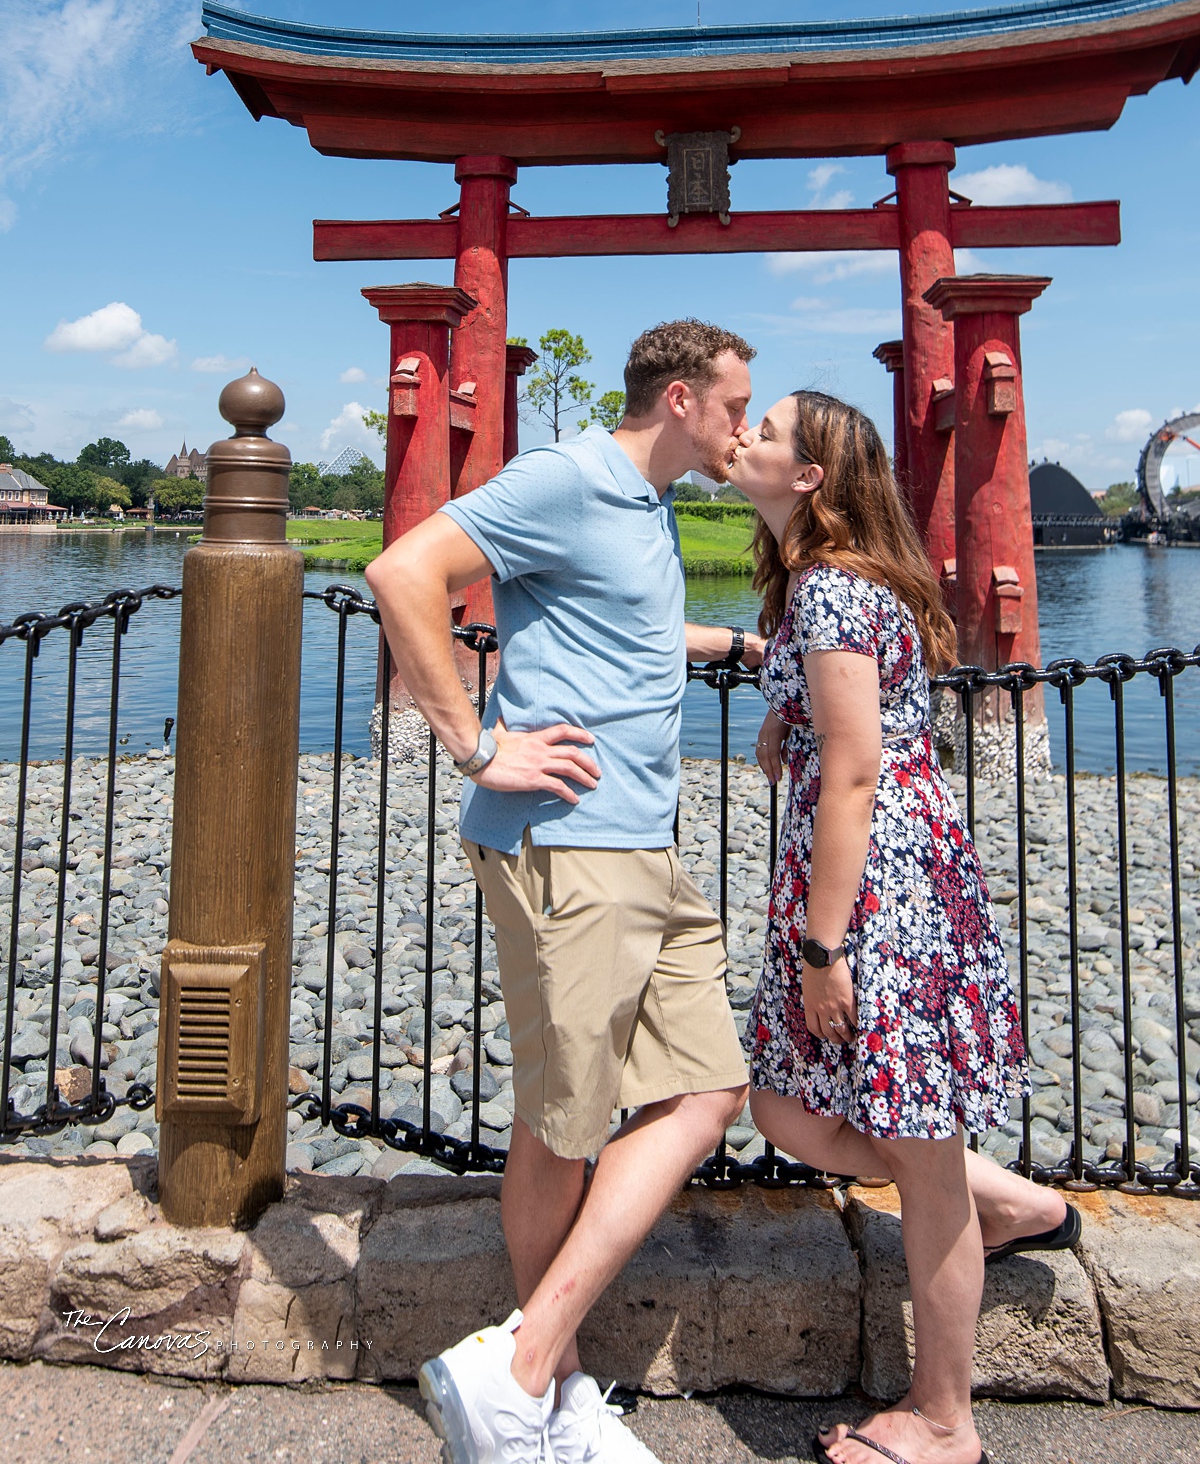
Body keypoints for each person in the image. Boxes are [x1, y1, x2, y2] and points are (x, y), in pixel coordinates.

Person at [365, 319, 759, 1464]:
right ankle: (544, 1387)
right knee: (567, 1119)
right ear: (681, 397)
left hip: (645, 843)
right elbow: (403, 570)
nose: (745, 423)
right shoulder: (571, 476)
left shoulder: (648, 503)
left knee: (706, 1088)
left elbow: (622, 627)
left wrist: (735, 644)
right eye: (738, 403)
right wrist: (478, 745)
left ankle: (527, 1359)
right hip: (569, 844)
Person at [725, 390, 1079, 1464]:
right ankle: (1010, 1199)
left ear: (810, 478)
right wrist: (772, 684)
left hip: (880, 893)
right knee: (786, 1103)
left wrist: (823, 945)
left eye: (769, 430)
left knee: (916, 1161)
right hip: (888, 870)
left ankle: (943, 1420)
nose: (744, 434)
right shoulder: (816, 590)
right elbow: (836, 719)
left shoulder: (830, 591)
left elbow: (854, 769)